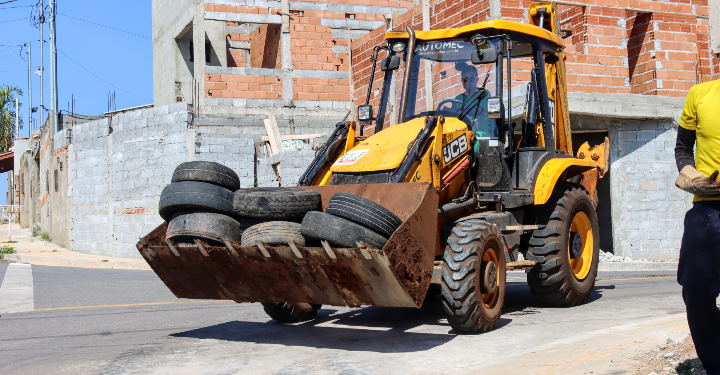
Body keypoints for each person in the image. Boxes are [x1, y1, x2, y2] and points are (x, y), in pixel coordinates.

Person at [674, 78, 720, 375]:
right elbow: (682, 147)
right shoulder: (700, 95)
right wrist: (689, 172)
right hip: (709, 207)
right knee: (694, 286)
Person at [446, 62, 496, 139]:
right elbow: (453, 118)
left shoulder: (484, 94)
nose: (468, 82)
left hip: (481, 134)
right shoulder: (458, 99)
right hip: (462, 134)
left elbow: (482, 113)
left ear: (477, 80)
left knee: (476, 143)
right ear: (462, 80)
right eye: (465, 79)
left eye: (471, 79)